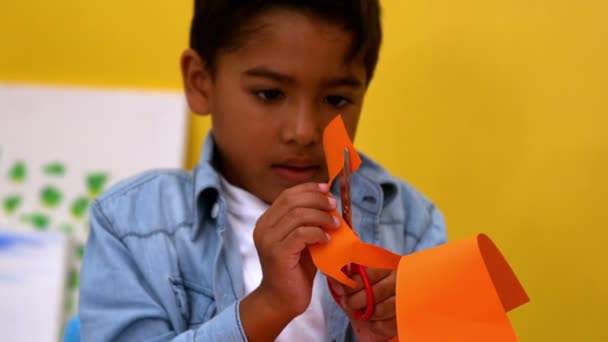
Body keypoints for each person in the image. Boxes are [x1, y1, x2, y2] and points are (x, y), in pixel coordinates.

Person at [79, 1, 447, 341]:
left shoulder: (411, 225)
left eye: (336, 99)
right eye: (270, 94)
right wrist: (269, 305)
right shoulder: (129, 225)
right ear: (199, 81)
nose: (303, 131)